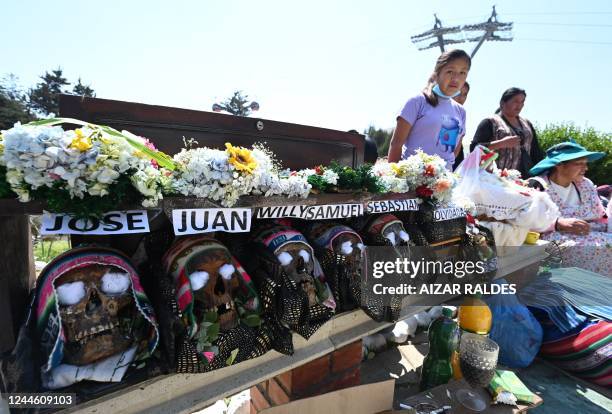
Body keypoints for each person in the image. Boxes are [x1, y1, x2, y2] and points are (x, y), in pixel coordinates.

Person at [528, 141, 610, 275]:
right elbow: (526, 220)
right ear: (559, 165)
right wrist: (557, 224)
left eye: (586, 163)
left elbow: (601, 216)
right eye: (579, 163)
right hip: (557, 240)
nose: (586, 168)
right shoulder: (538, 186)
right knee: (591, 249)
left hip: (594, 234)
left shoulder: (586, 185)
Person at [387, 49, 470, 170]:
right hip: (412, 180)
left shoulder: (461, 111)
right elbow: (396, 144)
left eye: (462, 73)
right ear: (438, 73)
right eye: (450, 71)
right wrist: (394, 180)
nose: (456, 78)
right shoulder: (417, 101)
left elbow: (453, 152)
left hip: (444, 184)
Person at [470, 87, 544, 178]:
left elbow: (536, 152)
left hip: (524, 179)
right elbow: (474, 148)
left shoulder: (527, 124)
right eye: (516, 101)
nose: (519, 105)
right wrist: (501, 143)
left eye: (522, 102)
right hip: (496, 179)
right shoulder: (490, 122)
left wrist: (542, 174)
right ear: (503, 103)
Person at [452, 81, 470, 169]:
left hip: (454, 160)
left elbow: (460, 139)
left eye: (465, 94)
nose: (461, 97)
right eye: (458, 92)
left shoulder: (462, 114)